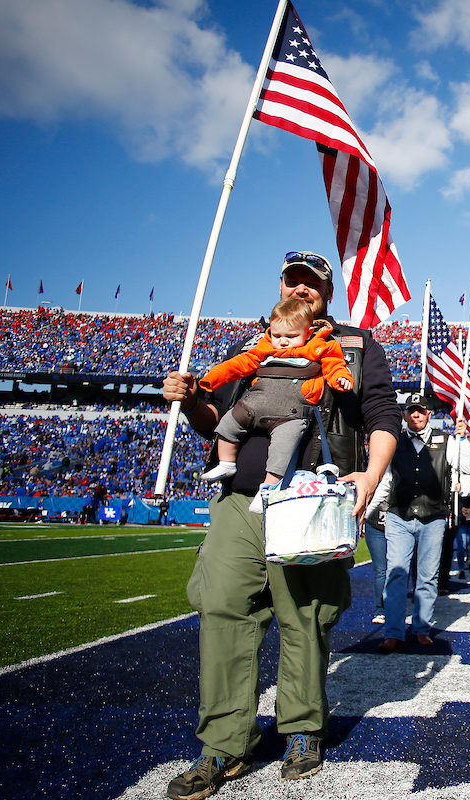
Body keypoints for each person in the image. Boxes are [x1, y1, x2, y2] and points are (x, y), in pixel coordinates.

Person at [160, 250, 400, 797]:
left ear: (326, 292)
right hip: (241, 501)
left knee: (306, 614)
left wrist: (369, 476)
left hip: (311, 501)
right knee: (222, 605)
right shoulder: (252, 343)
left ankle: (302, 729)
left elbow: (382, 417)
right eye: (292, 281)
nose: (300, 290)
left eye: (311, 284)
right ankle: (224, 743)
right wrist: (192, 395)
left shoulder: (357, 345)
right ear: (282, 285)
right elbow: (211, 420)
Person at [197, 297, 355, 512]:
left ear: (308, 333)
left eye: (291, 336)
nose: (282, 341)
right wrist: (213, 378)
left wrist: (340, 380)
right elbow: (237, 364)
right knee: (227, 426)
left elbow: (334, 365)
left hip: (290, 414)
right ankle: (226, 462)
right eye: (277, 335)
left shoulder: (320, 347)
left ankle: (268, 490)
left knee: (281, 453)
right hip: (254, 405)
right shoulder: (264, 349)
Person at [380, 394, 470, 653]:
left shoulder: (448, 441)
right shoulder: (395, 441)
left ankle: (421, 628)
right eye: (411, 411)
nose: (416, 416)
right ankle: (393, 632)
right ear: (404, 415)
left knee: (427, 577)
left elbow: (467, 466)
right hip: (398, 515)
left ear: (429, 414)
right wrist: (372, 511)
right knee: (396, 574)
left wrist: (463, 438)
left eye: (420, 411)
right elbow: (384, 477)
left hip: (433, 517)